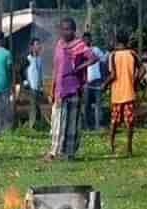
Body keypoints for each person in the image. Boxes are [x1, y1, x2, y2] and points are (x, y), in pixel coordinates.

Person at [46, 17, 97, 161]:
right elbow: (56, 68)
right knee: (58, 121)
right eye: (63, 29)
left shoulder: (79, 45)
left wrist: (79, 68)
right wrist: (52, 89)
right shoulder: (59, 45)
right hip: (60, 89)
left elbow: (93, 58)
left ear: (74, 30)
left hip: (74, 88)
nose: (65, 31)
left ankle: (69, 153)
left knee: (72, 123)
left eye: (68, 29)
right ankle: (54, 152)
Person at [102, 31, 145, 157]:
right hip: (129, 93)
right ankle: (129, 149)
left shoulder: (113, 55)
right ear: (127, 41)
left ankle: (111, 147)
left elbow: (113, 75)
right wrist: (135, 82)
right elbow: (143, 69)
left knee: (114, 122)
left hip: (117, 94)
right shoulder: (132, 53)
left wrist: (104, 84)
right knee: (129, 122)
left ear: (117, 41)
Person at [82, 32, 106, 130]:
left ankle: (97, 126)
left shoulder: (96, 50)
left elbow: (103, 61)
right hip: (86, 82)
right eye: (85, 39)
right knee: (87, 105)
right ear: (83, 41)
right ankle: (87, 126)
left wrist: (103, 78)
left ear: (91, 40)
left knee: (98, 104)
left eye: (88, 39)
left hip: (97, 81)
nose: (86, 41)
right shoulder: (81, 51)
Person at [24, 38, 44, 129]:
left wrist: (41, 86)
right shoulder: (28, 58)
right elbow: (23, 72)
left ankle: (38, 125)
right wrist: (25, 82)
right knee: (33, 107)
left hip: (37, 87)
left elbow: (40, 73)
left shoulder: (39, 59)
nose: (38, 46)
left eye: (39, 44)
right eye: (36, 44)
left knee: (37, 106)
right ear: (31, 47)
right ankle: (32, 126)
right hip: (30, 87)